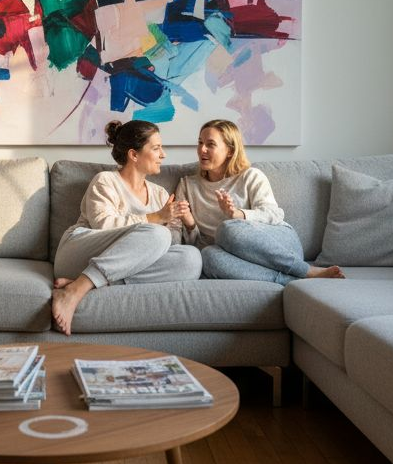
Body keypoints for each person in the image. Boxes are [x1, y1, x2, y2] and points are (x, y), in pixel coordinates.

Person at [51, 120, 202, 335]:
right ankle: (74, 291)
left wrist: (188, 224)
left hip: (117, 265)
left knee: (191, 260)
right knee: (157, 233)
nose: (163, 154)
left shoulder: (160, 194)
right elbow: (103, 225)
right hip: (78, 251)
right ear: (134, 155)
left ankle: (86, 281)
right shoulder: (105, 181)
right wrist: (157, 217)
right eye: (156, 148)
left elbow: (167, 246)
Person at [172, 119, 344, 284]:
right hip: (239, 257)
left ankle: (305, 270)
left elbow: (275, 214)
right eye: (200, 142)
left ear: (230, 150)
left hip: (280, 244)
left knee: (227, 228)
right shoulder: (187, 185)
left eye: (210, 144)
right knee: (207, 256)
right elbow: (196, 246)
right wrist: (190, 224)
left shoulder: (250, 176)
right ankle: (292, 280)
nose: (202, 149)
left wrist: (237, 214)